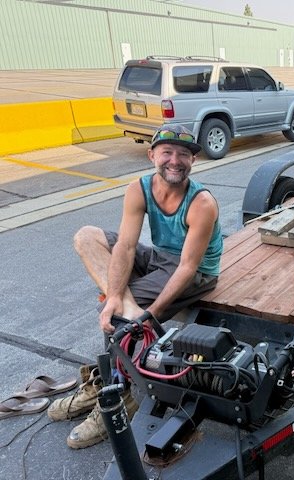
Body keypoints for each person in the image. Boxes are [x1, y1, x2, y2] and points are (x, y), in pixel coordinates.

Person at [47, 124, 224, 449]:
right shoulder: (139, 189)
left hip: (195, 273)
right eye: (167, 152)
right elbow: (127, 246)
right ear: (151, 154)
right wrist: (116, 295)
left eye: (184, 153)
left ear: (193, 161)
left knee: (116, 319)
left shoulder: (201, 203)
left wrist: (151, 314)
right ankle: (121, 312)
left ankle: (119, 393)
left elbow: (187, 268)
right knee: (87, 236)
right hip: (158, 257)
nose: (175, 160)